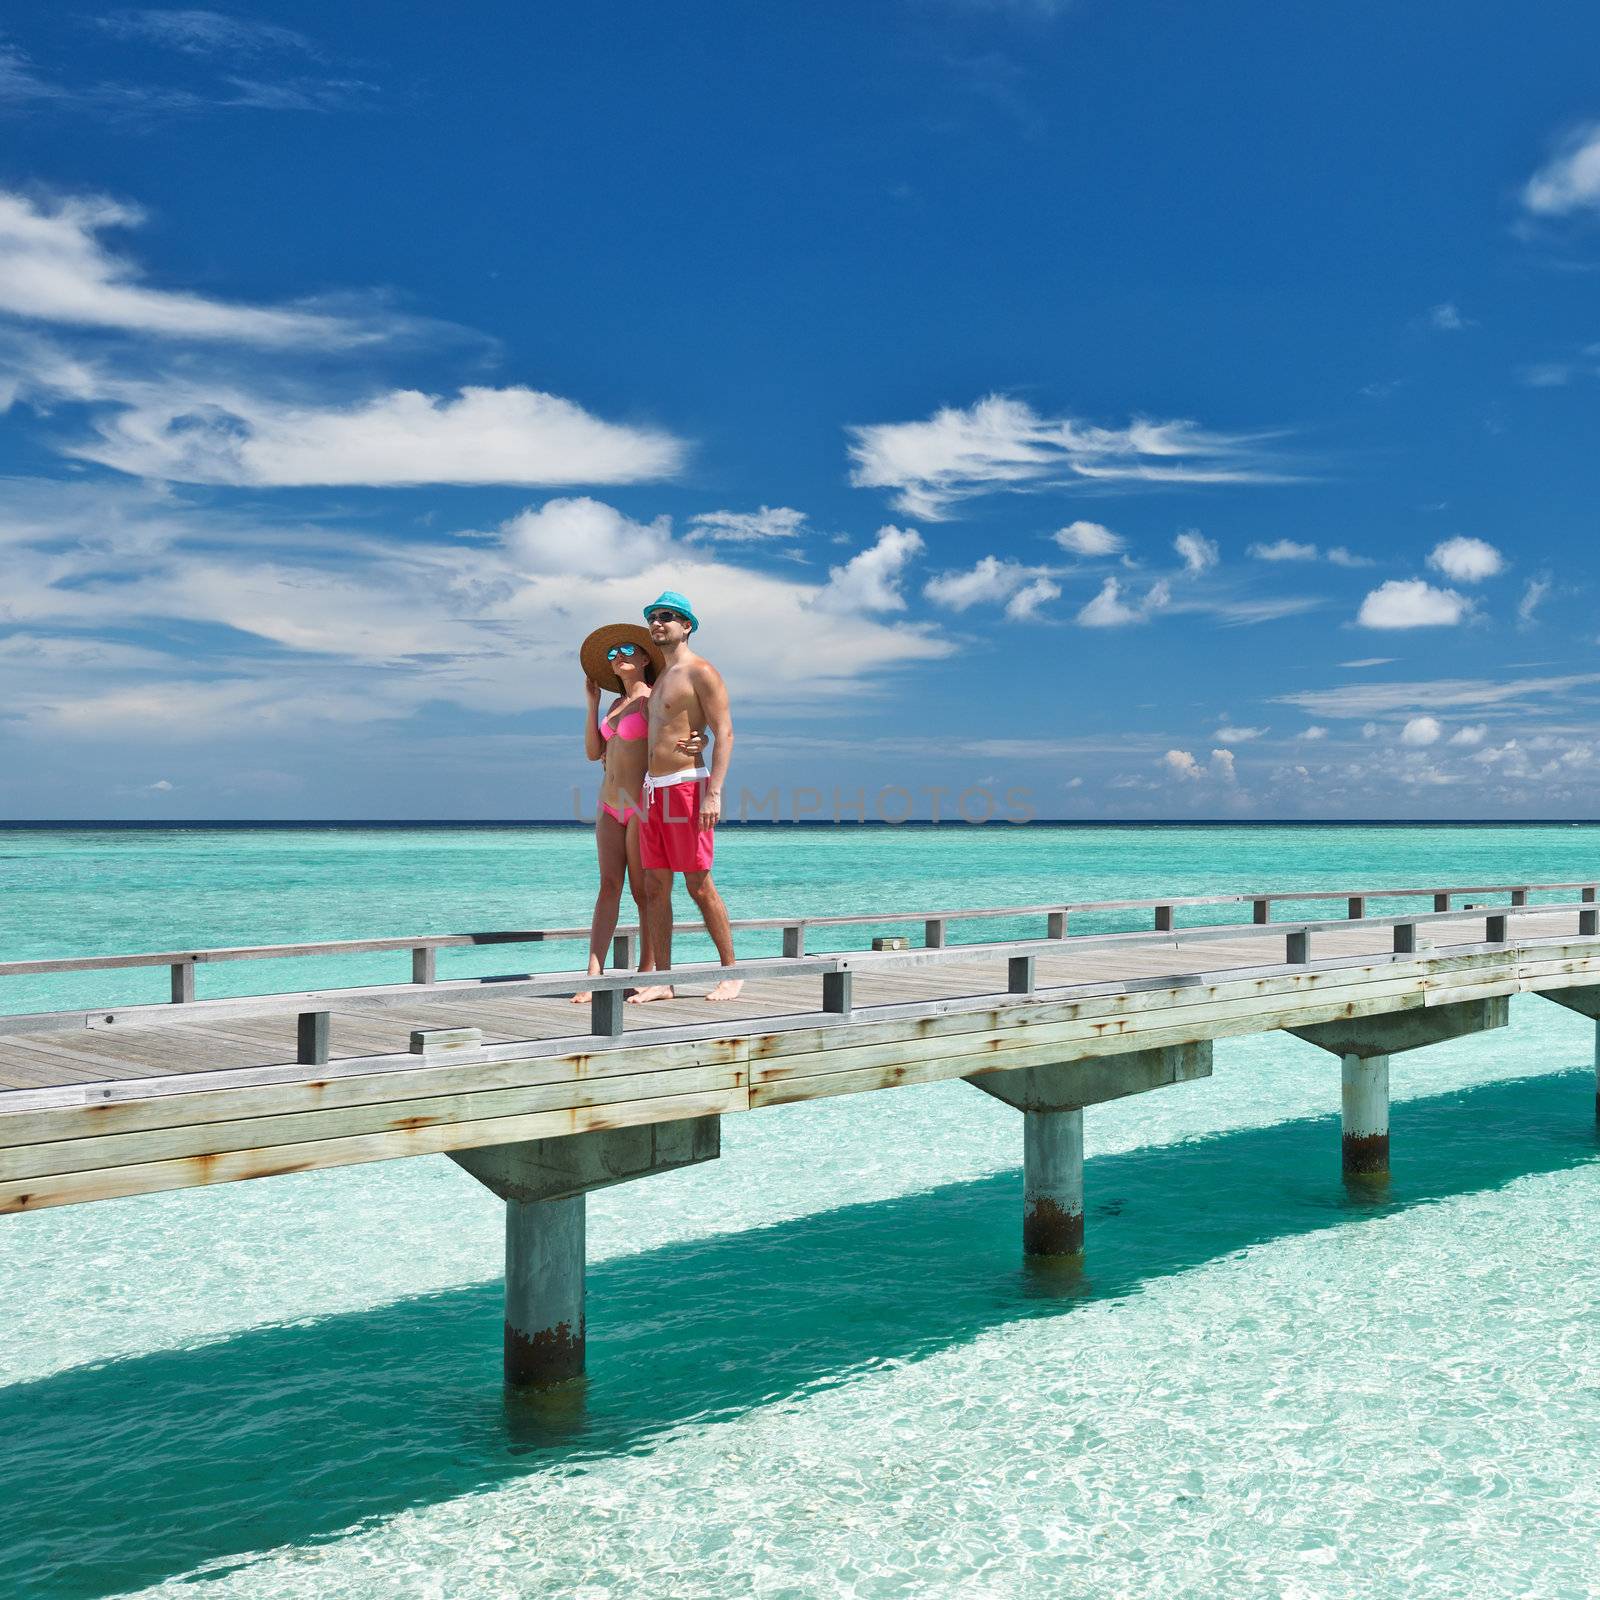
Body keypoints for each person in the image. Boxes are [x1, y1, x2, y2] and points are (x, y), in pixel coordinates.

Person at [573, 623, 701, 1004]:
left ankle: (650, 972)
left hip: (641, 807)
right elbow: (592, 752)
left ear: (646, 657)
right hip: (607, 805)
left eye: (627, 650)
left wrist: (701, 738)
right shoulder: (615, 705)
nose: (619, 657)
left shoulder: (653, 701)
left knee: (645, 892)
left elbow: (685, 730)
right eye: (612, 655)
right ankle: (594, 974)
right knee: (607, 888)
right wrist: (592, 704)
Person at [628, 591, 740, 1003]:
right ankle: (664, 979)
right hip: (653, 792)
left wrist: (713, 793)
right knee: (655, 885)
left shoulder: (700, 672)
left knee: (698, 883)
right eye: (654, 617)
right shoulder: (660, 682)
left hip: (688, 787)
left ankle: (731, 972)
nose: (659, 623)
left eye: (668, 617)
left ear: (687, 625)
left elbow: (724, 730)